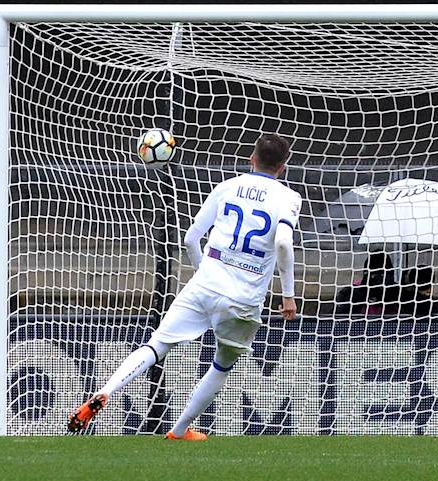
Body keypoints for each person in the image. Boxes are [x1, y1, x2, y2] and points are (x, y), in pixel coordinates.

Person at [68, 134, 301, 440]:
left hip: (205, 282)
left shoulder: (227, 187)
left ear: (251, 159)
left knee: (156, 346)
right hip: (243, 298)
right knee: (220, 366)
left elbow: (191, 238)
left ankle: (105, 390)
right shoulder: (288, 197)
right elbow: (283, 242)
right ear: (282, 167)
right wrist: (288, 295)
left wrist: (206, 273)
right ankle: (179, 431)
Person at [334, 252, 394, 316]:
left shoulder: (396, 293)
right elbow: (337, 318)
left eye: (383, 276)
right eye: (374, 276)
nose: (378, 282)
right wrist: (361, 296)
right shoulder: (351, 293)